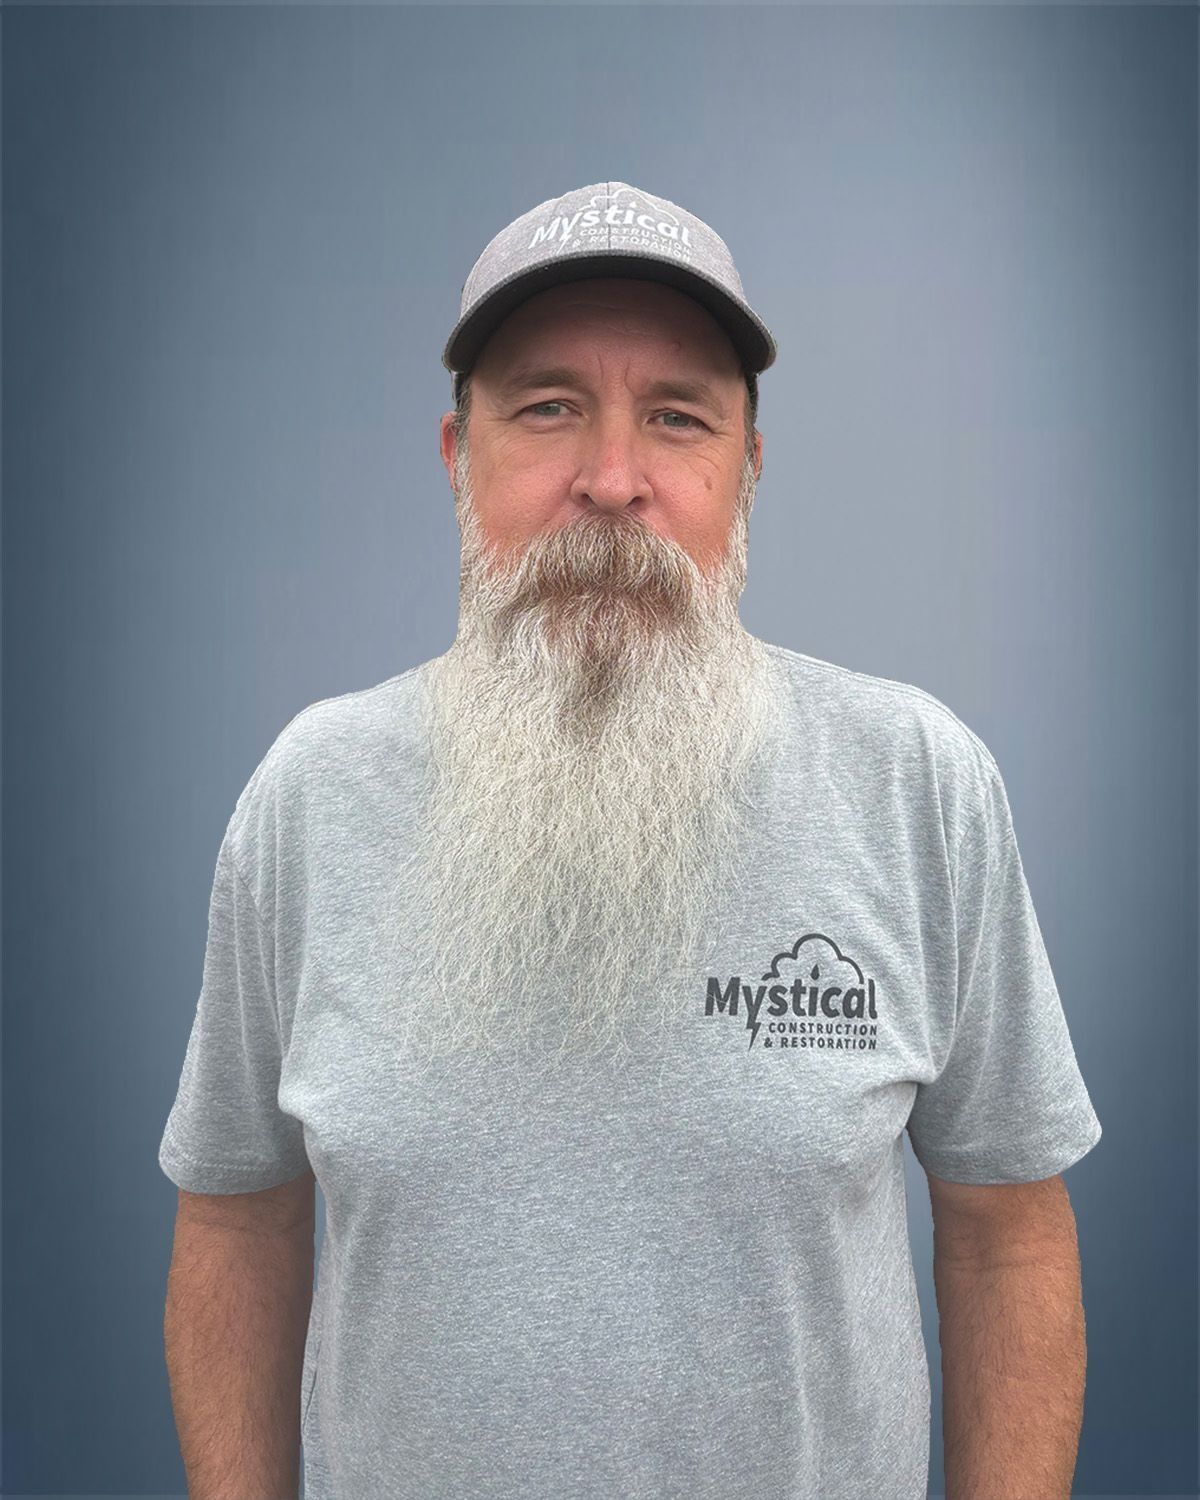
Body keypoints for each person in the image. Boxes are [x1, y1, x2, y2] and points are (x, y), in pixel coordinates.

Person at [158, 181, 1102, 1500]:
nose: (613, 479)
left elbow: (1007, 1235)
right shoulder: (311, 798)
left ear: (748, 472)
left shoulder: (915, 784)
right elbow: (237, 1223)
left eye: (679, 417)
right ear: (455, 454)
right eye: (548, 408)